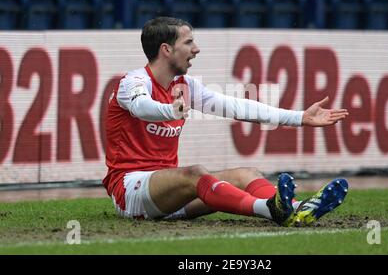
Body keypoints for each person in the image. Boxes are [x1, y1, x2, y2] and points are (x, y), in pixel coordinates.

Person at [102, 17, 350, 227]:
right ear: (166, 49)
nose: (196, 49)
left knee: (247, 174)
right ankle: (270, 209)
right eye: (188, 42)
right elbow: (140, 106)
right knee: (195, 174)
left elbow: (237, 107)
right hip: (130, 190)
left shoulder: (185, 85)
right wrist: (169, 110)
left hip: (169, 197)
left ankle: (298, 209)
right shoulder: (132, 82)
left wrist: (299, 117)